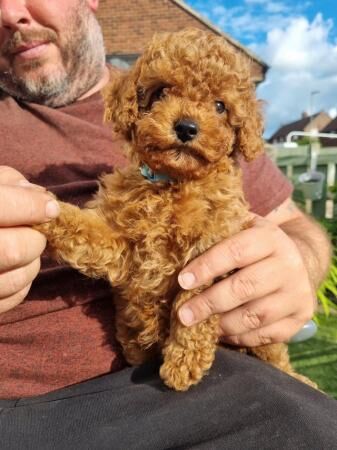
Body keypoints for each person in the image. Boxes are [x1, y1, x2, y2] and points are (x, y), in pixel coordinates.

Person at [0, 0, 336, 448]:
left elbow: (296, 228)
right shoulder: (125, 171)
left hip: (231, 379)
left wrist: (298, 262)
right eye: (162, 95)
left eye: (218, 106)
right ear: (132, 108)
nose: (10, 11)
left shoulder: (223, 171)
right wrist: (51, 221)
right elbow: (111, 249)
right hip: (43, 414)